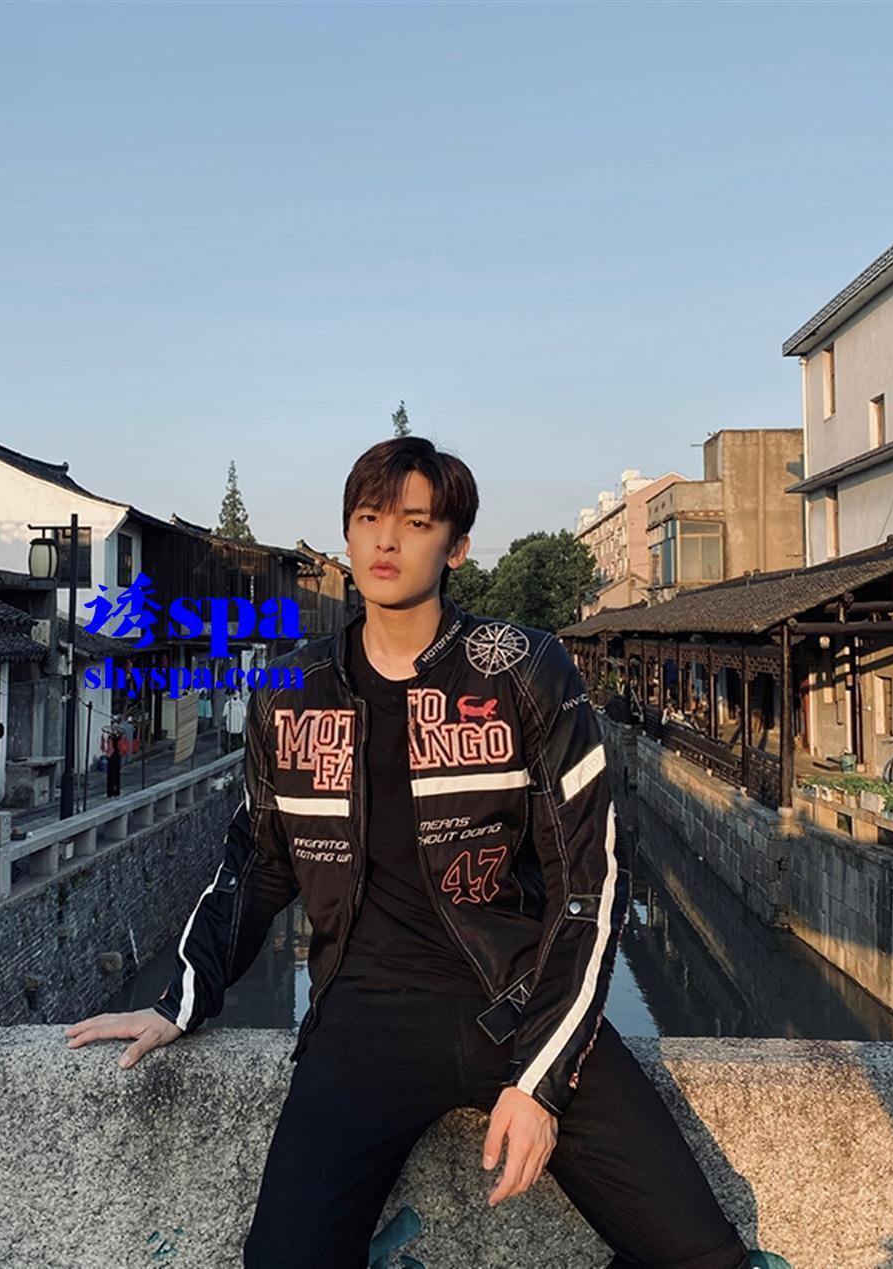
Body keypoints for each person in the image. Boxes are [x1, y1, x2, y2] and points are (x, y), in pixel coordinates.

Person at [65, 437, 758, 1269]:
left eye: (416, 522)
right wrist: (181, 997)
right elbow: (257, 863)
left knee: (702, 1255)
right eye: (368, 519)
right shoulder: (291, 689)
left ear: (455, 545)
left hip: (518, 997)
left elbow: (590, 881)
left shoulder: (525, 669)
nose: (386, 540)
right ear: (348, 534)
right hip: (363, 1018)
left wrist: (541, 1078)